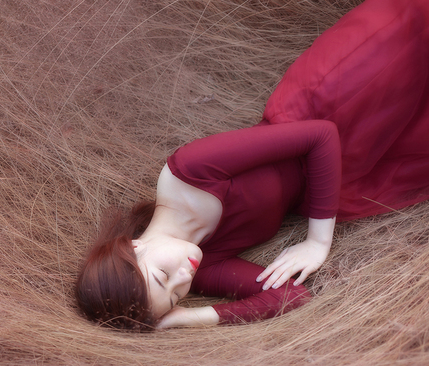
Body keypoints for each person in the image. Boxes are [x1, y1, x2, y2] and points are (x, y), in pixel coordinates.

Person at [76, 0, 429, 331]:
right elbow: (291, 296)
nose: (184, 278)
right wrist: (193, 316)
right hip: (343, 172)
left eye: (162, 277)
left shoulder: (188, 174)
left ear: (133, 247)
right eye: (175, 296)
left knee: (413, 24)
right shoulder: (204, 267)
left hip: (330, 104)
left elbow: (320, 135)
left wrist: (317, 243)